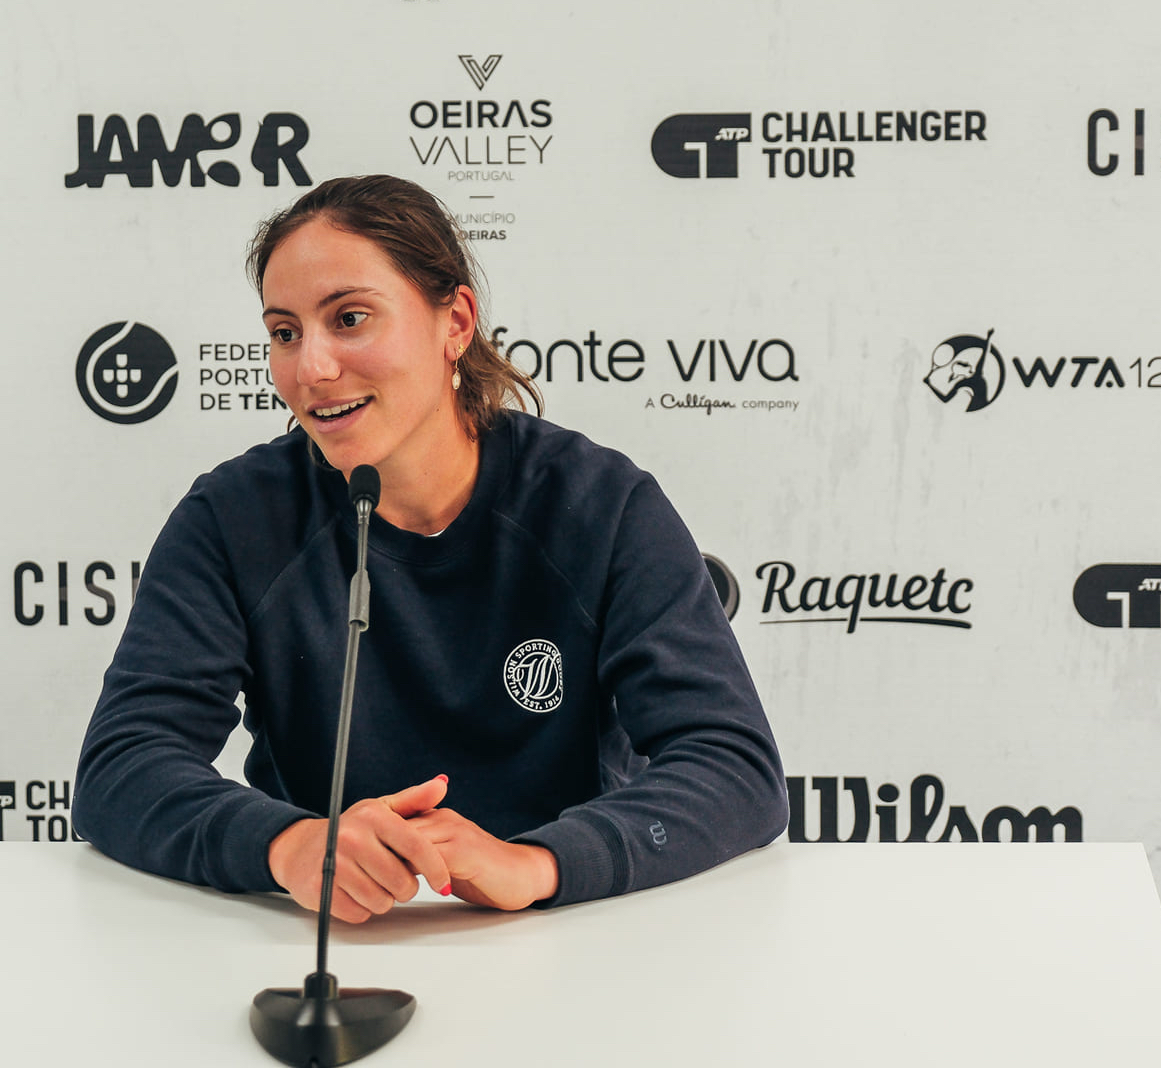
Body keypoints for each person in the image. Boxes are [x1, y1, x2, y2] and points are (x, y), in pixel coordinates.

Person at [74, 174, 786, 921]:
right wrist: (287, 845)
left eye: (349, 318)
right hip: (325, 935)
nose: (310, 368)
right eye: (285, 333)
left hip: (568, 933)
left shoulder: (602, 504)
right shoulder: (232, 516)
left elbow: (732, 767)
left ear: (456, 323)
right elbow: (122, 767)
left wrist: (536, 863)